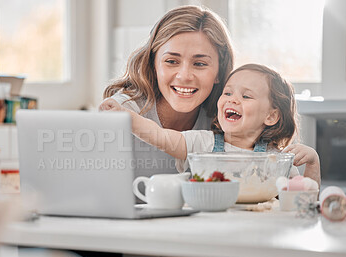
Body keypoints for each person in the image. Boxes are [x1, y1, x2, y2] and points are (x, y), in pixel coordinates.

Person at [100, 63, 321, 185]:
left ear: (271, 116)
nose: (232, 99)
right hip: (201, 231)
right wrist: (126, 117)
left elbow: (305, 202)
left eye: (246, 96)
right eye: (227, 93)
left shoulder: (277, 159)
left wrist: (312, 163)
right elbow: (160, 136)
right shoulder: (202, 143)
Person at [101, 5, 234, 177]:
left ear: (219, 72)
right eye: (171, 61)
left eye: (200, 64)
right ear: (153, 64)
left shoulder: (224, 119)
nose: (184, 76)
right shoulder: (121, 113)